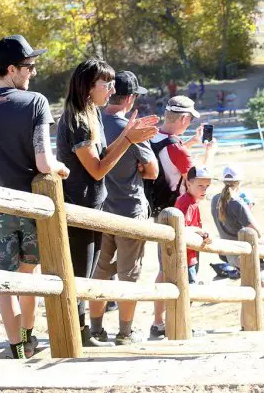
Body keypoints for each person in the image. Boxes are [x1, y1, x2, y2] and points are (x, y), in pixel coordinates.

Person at [55, 58, 158, 347]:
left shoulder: (91, 115)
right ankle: (76, 334)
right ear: (89, 86)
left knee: (90, 276)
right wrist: (127, 140)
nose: (112, 89)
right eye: (106, 83)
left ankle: (83, 332)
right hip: (79, 210)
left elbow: (101, 160)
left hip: (93, 210)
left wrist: (128, 134)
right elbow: (97, 169)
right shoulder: (77, 119)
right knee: (80, 277)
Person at [0, 35, 69, 359]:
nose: (33, 73)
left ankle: (15, 348)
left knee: (4, 280)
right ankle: (28, 337)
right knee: (28, 276)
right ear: (11, 69)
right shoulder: (36, 102)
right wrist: (60, 168)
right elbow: (44, 162)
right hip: (29, 204)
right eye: (29, 66)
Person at [89, 71, 157, 346]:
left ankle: (95, 329)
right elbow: (152, 171)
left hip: (100, 209)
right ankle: (125, 333)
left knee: (101, 271)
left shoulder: (93, 123)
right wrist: (139, 167)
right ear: (130, 98)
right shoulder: (131, 128)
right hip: (129, 208)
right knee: (130, 274)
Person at [149, 96, 217, 338]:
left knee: (162, 268)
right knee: (180, 269)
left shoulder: (154, 136)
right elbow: (198, 177)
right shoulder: (176, 147)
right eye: (189, 120)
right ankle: (177, 321)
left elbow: (170, 153)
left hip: (158, 210)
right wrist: (209, 151)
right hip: (178, 214)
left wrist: (192, 142)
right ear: (184, 118)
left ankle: (158, 322)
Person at [211, 166, 261, 268]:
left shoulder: (215, 199)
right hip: (241, 252)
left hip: (226, 251)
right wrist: (248, 211)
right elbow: (257, 233)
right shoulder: (237, 202)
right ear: (239, 182)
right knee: (263, 281)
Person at [176, 166, 214, 285]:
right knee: (188, 289)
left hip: (190, 254)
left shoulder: (192, 201)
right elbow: (183, 228)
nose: (205, 190)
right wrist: (202, 233)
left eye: (207, 186)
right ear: (188, 184)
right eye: (200, 186)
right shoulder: (187, 202)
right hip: (185, 256)